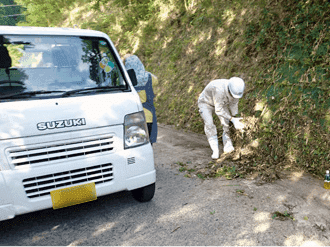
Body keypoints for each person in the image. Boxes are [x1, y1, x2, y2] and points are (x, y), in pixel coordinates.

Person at [198, 77, 245, 159]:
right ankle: (215, 150)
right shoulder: (219, 89)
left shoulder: (236, 90)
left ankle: (228, 146)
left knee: (226, 123)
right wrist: (232, 119)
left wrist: (235, 118)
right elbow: (218, 110)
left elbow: (233, 105)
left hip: (221, 104)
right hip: (205, 103)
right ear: (229, 90)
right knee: (209, 123)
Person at [124, 54, 158, 145]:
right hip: (148, 117)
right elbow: (156, 79)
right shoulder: (149, 78)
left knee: (136, 146)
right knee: (148, 145)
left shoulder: (125, 80)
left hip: (133, 118)